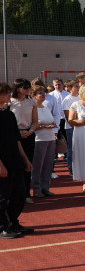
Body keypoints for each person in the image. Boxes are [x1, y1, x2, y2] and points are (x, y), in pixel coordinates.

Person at [0, 82, 35, 238]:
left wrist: (25, 159)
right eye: (6, 93)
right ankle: (2, 227)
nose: (9, 95)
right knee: (3, 196)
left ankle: (13, 222)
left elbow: (16, 140)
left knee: (19, 193)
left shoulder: (9, 114)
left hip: (15, 159)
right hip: (2, 161)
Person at [30, 86, 58, 198]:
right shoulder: (32, 108)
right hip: (39, 139)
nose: (43, 95)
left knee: (48, 165)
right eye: (40, 93)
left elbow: (51, 120)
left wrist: (52, 125)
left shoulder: (46, 107)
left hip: (50, 138)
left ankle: (45, 188)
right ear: (33, 95)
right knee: (37, 165)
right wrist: (45, 126)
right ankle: (36, 189)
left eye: (44, 93)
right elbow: (32, 125)